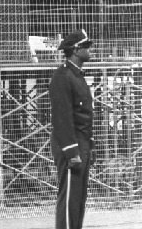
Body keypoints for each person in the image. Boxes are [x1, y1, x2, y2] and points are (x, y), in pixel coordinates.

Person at [49, 29, 96, 229]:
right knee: (69, 197)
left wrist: (89, 146)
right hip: (71, 143)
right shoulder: (63, 76)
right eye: (87, 46)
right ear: (76, 50)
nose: (91, 49)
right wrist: (72, 151)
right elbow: (62, 119)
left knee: (78, 198)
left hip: (81, 142)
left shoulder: (76, 75)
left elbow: (83, 115)